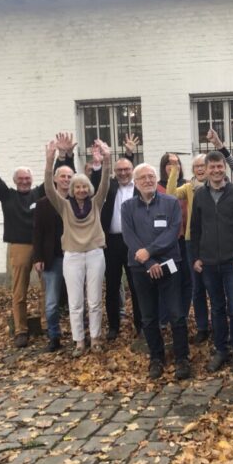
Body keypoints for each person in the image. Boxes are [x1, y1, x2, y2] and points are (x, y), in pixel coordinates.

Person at [0, 129, 74, 348]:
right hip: (19, 246)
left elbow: (54, 179)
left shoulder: (40, 192)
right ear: (15, 181)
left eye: (27, 178)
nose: (24, 181)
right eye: (20, 179)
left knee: (46, 289)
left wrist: (62, 157)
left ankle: (46, 325)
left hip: (43, 246)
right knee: (19, 291)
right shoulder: (7, 195)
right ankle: (21, 330)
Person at [121, 163, 191, 380]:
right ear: (136, 182)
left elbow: (173, 232)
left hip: (170, 265)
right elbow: (129, 237)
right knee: (149, 317)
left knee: (177, 314)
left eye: (151, 176)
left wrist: (150, 252)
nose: (148, 180)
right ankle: (156, 358)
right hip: (141, 268)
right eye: (142, 177)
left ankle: (182, 358)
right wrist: (148, 262)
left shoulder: (171, 202)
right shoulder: (127, 207)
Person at [44, 138, 111, 357]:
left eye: (84, 186)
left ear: (88, 188)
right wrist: (49, 161)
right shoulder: (63, 205)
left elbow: (105, 185)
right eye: (77, 186)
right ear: (72, 189)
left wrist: (106, 159)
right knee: (75, 303)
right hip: (72, 256)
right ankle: (79, 341)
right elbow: (48, 187)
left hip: (94, 254)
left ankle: (96, 338)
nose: (81, 189)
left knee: (94, 301)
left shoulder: (96, 203)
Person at [191, 150, 233, 373]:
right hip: (207, 263)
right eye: (212, 167)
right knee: (216, 308)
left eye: (219, 167)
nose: (216, 171)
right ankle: (220, 349)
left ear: (224, 168)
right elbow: (194, 229)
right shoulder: (200, 195)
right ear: (205, 170)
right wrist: (196, 257)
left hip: (231, 262)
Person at [90, 134, 141, 342]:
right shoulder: (109, 187)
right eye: (119, 170)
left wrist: (129, 154)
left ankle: (141, 324)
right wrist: (97, 164)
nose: (123, 173)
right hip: (111, 243)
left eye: (126, 170)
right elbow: (96, 182)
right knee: (111, 286)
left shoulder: (139, 187)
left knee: (136, 285)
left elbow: (135, 168)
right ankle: (113, 326)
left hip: (134, 243)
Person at [166, 153, 210, 344]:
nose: (200, 169)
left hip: (214, 241)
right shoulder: (189, 187)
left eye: (203, 166)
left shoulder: (216, 186)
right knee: (197, 287)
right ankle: (202, 327)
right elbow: (170, 194)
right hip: (193, 241)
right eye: (197, 166)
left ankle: (219, 324)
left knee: (215, 286)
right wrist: (175, 169)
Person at [32, 164, 75, 352]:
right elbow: (37, 232)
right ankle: (54, 336)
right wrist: (38, 257)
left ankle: (78, 335)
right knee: (51, 302)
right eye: (63, 176)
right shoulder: (43, 203)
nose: (66, 179)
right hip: (53, 258)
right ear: (55, 179)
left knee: (77, 300)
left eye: (69, 176)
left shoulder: (78, 200)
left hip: (74, 256)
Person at [157, 153, 192, 331]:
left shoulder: (187, 185)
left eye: (176, 163)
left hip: (184, 242)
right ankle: (164, 318)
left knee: (187, 279)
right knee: (170, 278)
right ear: (164, 168)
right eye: (169, 164)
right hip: (167, 246)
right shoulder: (158, 187)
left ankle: (182, 315)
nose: (173, 167)